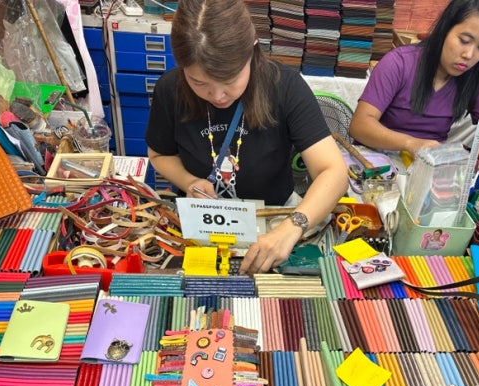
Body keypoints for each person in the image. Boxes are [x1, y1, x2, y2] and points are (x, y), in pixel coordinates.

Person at [144, 0, 348, 275]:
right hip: (199, 221)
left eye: (229, 81)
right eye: (199, 82)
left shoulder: (285, 86)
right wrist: (189, 181)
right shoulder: (170, 89)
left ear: (252, 46)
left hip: (276, 217)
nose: (217, 96)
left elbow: (334, 172)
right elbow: (159, 154)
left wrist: (294, 225)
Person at [348, 0, 479, 163]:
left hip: (427, 167)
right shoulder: (399, 63)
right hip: (375, 162)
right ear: (445, 29)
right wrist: (411, 144)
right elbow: (360, 125)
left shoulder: (476, 77)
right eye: (464, 40)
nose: (469, 55)